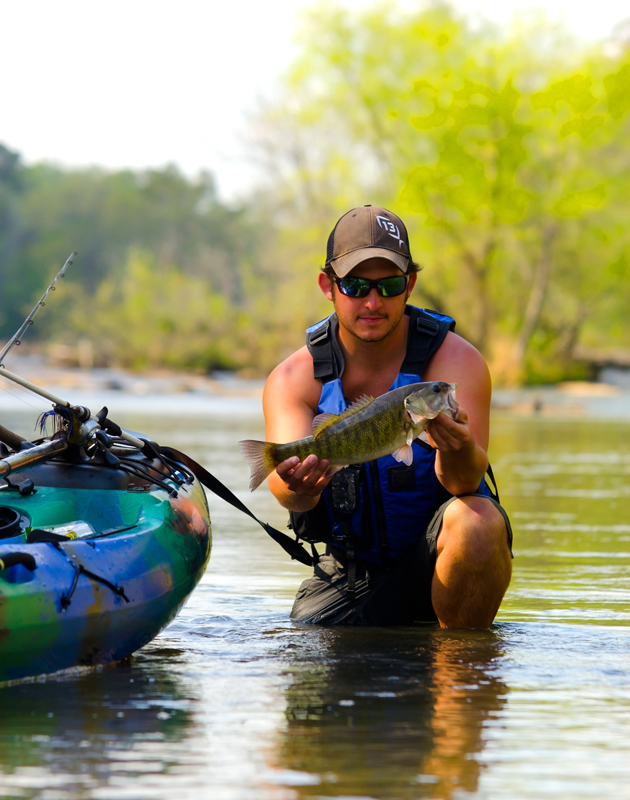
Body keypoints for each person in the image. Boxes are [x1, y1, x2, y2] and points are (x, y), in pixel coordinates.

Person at [262, 205, 513, 628]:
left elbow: (464, 483)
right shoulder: (293, 378)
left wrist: (459, 448)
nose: (373, 302)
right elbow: (288, 492)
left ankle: (458, 671)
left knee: (478, 524)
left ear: (410, 285)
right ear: (329, 286)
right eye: (356, 286)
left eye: (389, 285)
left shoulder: (456, 363)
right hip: (348, 575)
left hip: (438, 559)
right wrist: (298, 487)